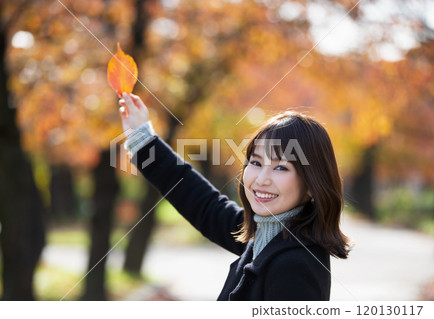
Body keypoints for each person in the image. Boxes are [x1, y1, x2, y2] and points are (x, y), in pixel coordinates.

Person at [118, 92, 351, 301]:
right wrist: (143, 138)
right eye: (256, 162)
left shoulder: (295, 265)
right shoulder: (264, 236)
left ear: (312, 183)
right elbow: (203, 203)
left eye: (280, 168)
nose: (261, 179)